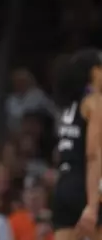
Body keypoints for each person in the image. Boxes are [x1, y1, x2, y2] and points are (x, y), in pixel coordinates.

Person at [52, 49, 102, 240]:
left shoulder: (68, 106)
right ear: (94, 72)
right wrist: (91, 205)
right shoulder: (94, 103)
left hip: (63, 185)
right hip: (85, 185)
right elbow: (93, 155)